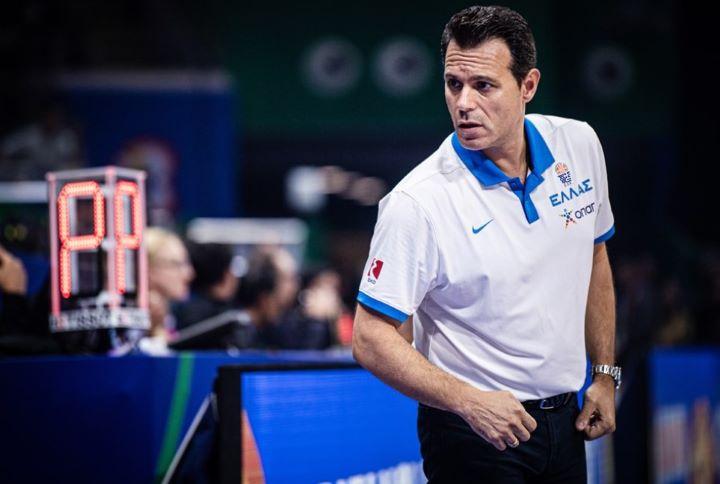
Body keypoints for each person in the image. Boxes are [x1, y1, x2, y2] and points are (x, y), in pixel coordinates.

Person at [352, 6, 620, 483]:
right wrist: (469, 402)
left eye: (483, 86)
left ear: (528, 86)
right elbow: (370, 338)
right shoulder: (418, 202)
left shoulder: (579, 145)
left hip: (567, 422)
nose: (464, 103)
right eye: (453, 84)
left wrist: (603, 375)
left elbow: (595, 255)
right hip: (475, 434)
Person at [139, 227, 195, 354]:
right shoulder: (129, 324)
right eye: (177, 264)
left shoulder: (168, 318)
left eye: (186, 264)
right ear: (147, 268)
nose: (189, 274)